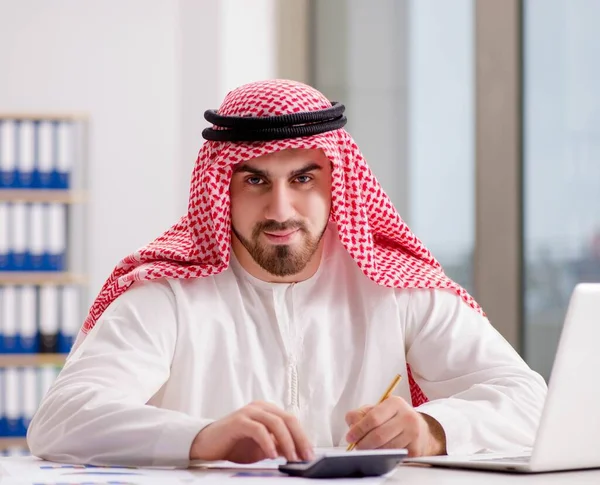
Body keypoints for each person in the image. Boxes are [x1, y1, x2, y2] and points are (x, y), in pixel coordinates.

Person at [27, 79, 547, 467]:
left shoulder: (393, 287)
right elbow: (61, 419)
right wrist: (201, 438)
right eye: (255, 180)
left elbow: (530, 401)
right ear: (223, 187)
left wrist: (432, 428)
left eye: (303, 178)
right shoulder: (167, 295)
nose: (280, 209)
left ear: (337, 181)